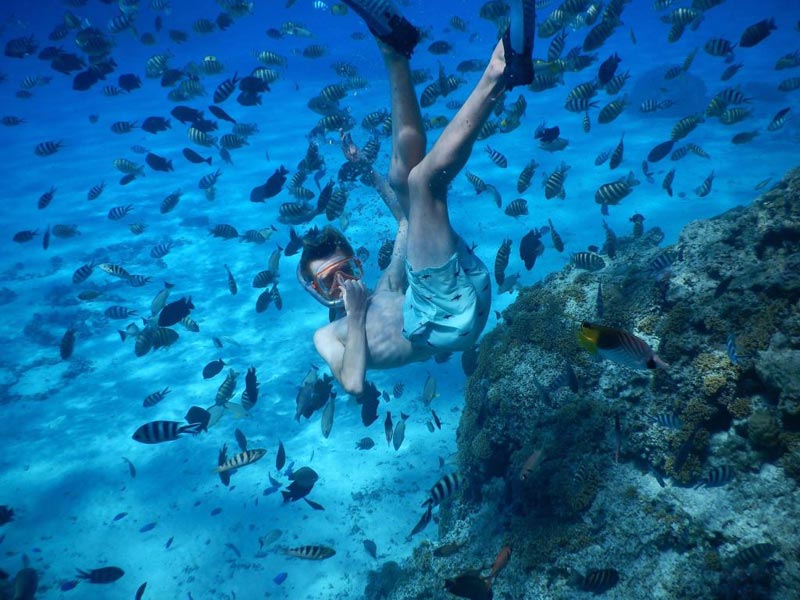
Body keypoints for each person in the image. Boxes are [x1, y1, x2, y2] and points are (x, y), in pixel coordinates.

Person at [297, 0, 536, 394]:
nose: (343, 283)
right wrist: (354, 314)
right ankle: (501, 69)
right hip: (448, 322)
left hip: (455, 291)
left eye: (347, 269)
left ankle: (396, 50)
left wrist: (367, 170)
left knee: (402, 177)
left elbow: (406, 223)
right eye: (328, 281)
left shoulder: (386, 288)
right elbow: (353, 383)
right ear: (314, 290)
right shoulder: (329, 335)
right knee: (425, 183)